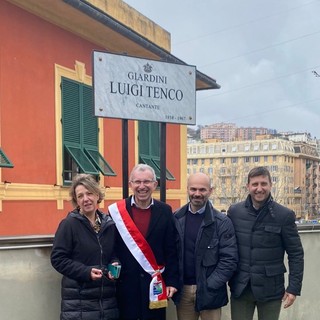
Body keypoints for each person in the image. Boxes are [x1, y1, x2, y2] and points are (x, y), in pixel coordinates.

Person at [228, 166, 304, 320]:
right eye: (255, 184)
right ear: (248, 186)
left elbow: (296, 254)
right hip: (241, 287)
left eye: (263, 184)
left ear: (270, 185)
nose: (259, 188)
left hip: (271, 288)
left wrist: (294, 288)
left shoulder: (284, 215)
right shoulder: (234, 212)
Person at [108, 164, 179, 320]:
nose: (142, 186)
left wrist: (173, 281)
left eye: (147, 182)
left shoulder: (165, 211)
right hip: (125, 286)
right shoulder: (116, 212)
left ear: (155, 184)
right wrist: (113, 268)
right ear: (130, 185)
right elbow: (110, 248)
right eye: (137, 182)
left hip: (155, 286)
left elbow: (171, 249)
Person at [51, 174, 119, 320]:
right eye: (80, 196)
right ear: (76, 201)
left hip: (107, 303)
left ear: (97, 195)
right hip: (79, 305)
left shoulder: (109, 225)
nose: (86, 199)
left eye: (89, 193)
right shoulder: (68, 225)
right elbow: (57, 259)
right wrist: (86, 272)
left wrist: (115, 264)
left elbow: (113, 254)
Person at [173, 172, 238, 320]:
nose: (197, 194)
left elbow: (229, 259)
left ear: (210, 191)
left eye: (202, 190)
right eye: (193, 189)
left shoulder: (222, 222)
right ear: (187, 189)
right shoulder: (176, 218)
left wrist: (210, 285)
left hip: (211, 292)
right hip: (183, 292)